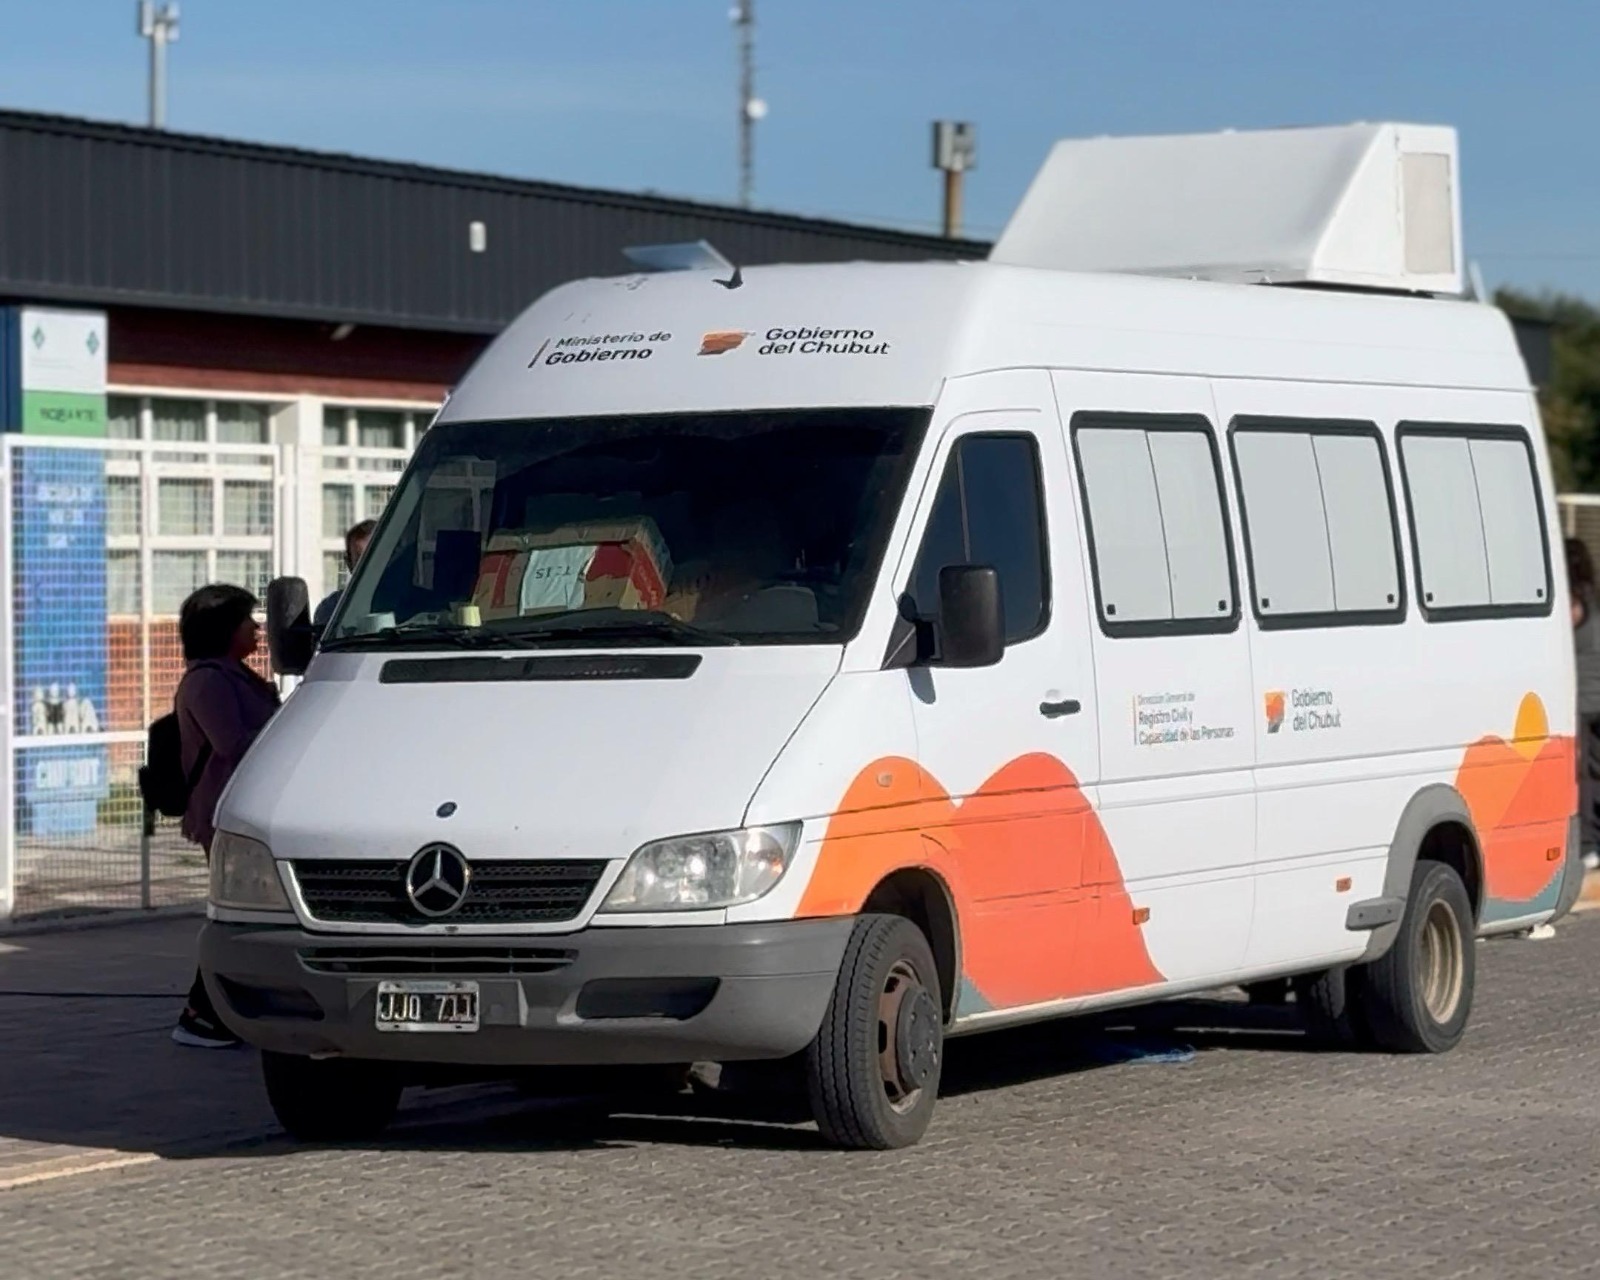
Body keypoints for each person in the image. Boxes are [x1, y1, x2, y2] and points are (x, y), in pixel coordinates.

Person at [172, 583, 282, 1048]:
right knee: (238, 916)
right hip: (223, 813)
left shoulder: (236, 674)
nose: (256, 628)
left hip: (248, 809)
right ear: (222, 629)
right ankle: (201, 1013)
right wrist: (285, 730)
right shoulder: (208, 680)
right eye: (246, 621)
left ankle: (218, 1009)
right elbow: (230, 743)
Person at [1566, 537, 1600, 872]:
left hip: (1584, 702)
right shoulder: (1593, 597)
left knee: (1584, 776)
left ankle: (1588, 844)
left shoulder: (1572, 601)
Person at [313, 519, 376, 627]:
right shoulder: (333, 610)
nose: (368, 567)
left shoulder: (405, 604)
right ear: (349, 563)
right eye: (360, 561)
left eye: (374, 558)